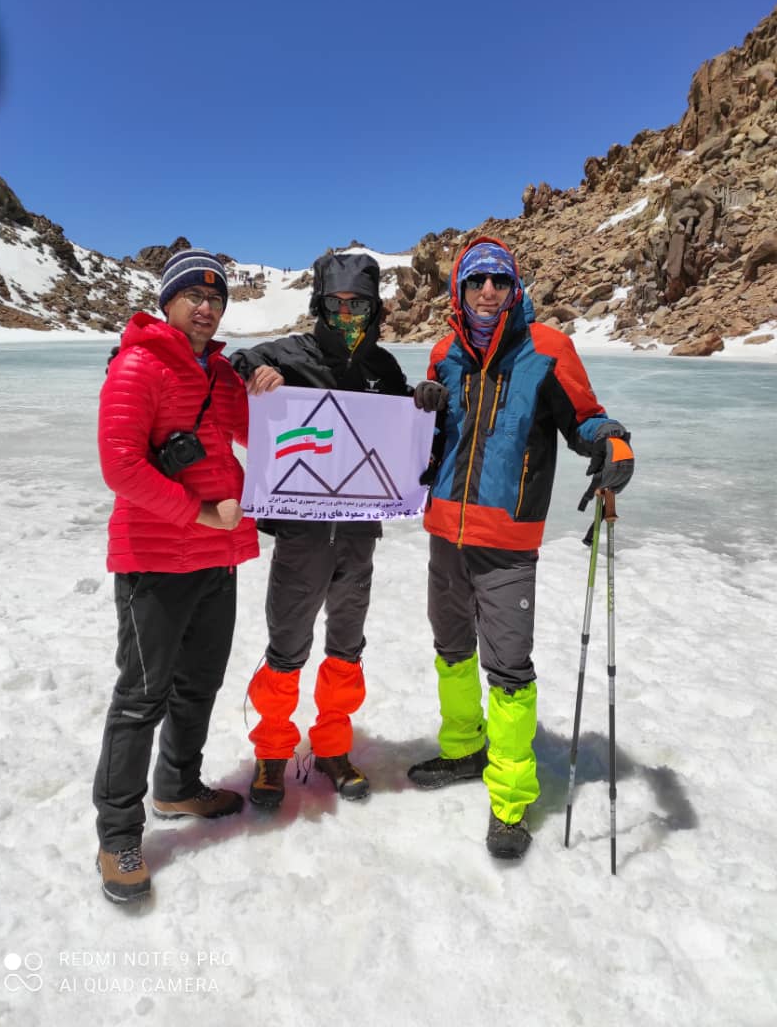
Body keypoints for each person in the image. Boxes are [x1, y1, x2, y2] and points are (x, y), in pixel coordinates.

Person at [407, 237, 634, 859]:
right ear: (459, 289)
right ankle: (464, 749)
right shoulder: (444, 353)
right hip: (444, 531)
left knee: (508, 668)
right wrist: (421, 405)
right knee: (452, 649)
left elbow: (584, 419)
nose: (488, 292)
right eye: (476, 281)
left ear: (514, 289)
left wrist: (612, 440)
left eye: (499, 282)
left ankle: (509, 801)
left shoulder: (547, 348)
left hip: (507, 539)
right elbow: (432, 440)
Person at [93, 248, 259, 904]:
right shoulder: (138, 365)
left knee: (199, 685)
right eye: (194, 295)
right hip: (154, 560)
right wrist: (200, 512)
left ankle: (178, 786)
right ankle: (118, 838)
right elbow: (121, 467)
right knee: (141, 699)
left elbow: (260, 434)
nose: (206, 307)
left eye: (216, 298)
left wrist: (268, 387)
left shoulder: (219, 373)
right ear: (168, 302)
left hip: (216, 558)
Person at [230, 251, 418, 807]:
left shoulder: (384, 369)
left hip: (358, 536)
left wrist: (422, 403)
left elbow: (407, 436)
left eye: (357, 303)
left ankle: (333, 747)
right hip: (301, 536)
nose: (346, 313)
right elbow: (232, 363)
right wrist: (253, 372)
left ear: (374, 307)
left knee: (346, 648)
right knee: (287, 646)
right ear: (320, 304)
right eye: (336, 303)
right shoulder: (289, 354)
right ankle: (272, 753)